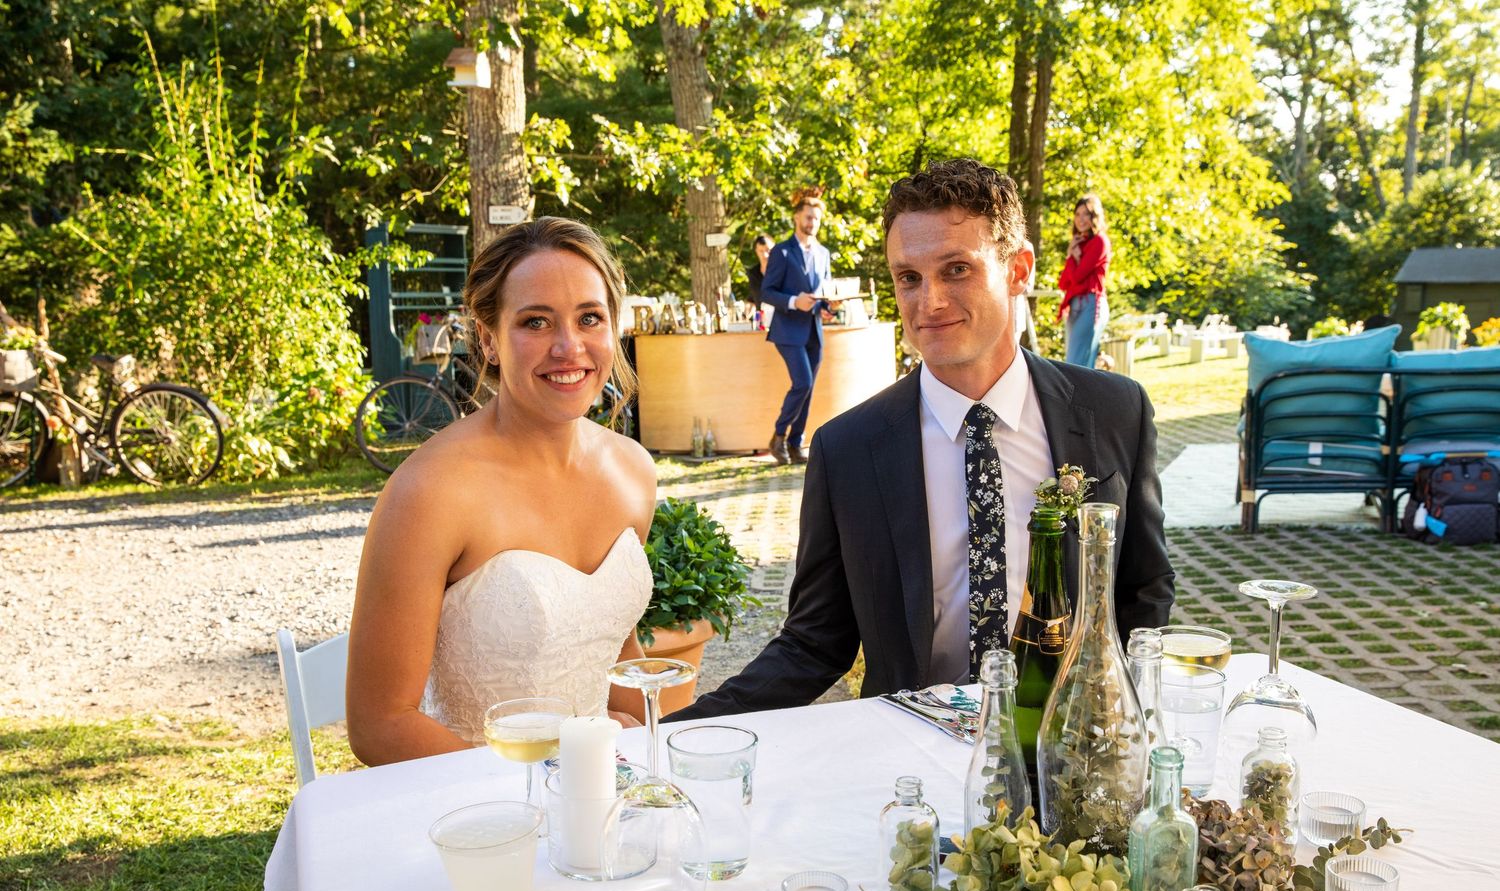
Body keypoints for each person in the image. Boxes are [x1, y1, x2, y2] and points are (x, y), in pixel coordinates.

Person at [667, 159, 1172, 721]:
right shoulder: (848, 450)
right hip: (913, 756)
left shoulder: (1113, 412)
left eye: (956, 269)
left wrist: (1115, 713)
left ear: (1018, 270)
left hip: (1074, 745)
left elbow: (1144, 588)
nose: (928, 301)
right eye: (908, 277)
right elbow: (815, 642)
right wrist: (666, 736)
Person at [346, 218, 654, 764]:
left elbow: (610, 645)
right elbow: (381, 725)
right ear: (487, 338)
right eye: (536, 322)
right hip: (478, 802)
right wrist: (552, 783)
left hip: (600, 795)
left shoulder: (633, 472)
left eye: (590, 318)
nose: (569, 347)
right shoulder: (431, 491)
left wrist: (656, 751)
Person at [759, 188, 835, 465]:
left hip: (814, 329)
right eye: (808, 217)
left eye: (816, 218)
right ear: (796, 218)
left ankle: (795, 443)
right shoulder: (781, 251)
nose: (812, 222)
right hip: (787, 330)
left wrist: (828, 308)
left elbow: (823, 292)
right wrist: (793, 301)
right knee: (801, 382)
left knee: (810, 386)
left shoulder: (824, 253)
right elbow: (767, 292)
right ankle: (778, 436)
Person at [1057, 194, 1111, 369]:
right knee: (1077, 363)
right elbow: (1064, 282)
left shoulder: (1100, 241)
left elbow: (1078, 276)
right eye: (1078, 214)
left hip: (1091, 303)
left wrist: (1076, 256)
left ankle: (1081, 397)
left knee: (1077, 365)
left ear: (1094, 217)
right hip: (1075, 304)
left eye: (1086, 214)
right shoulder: (1079, 243)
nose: (1081, 219)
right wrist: (1071, 253)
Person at [746, 233, 773, 311]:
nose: (765, 255)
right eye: (761, 251)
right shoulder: (753, 273)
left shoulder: (783, 270)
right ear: (756, 251)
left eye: (768, 250)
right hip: (761, 319)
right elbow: (753, 298)